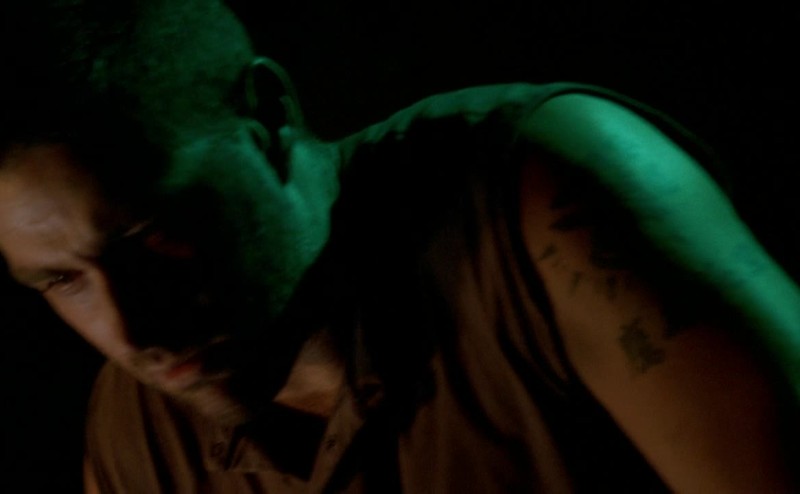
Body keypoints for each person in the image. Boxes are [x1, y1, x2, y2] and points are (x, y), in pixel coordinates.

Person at [1, 0, 798, 492]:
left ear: (268, 116)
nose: (131, 329)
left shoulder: (550, 202)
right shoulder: (134, 432)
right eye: (62, 281)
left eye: (149, 237)